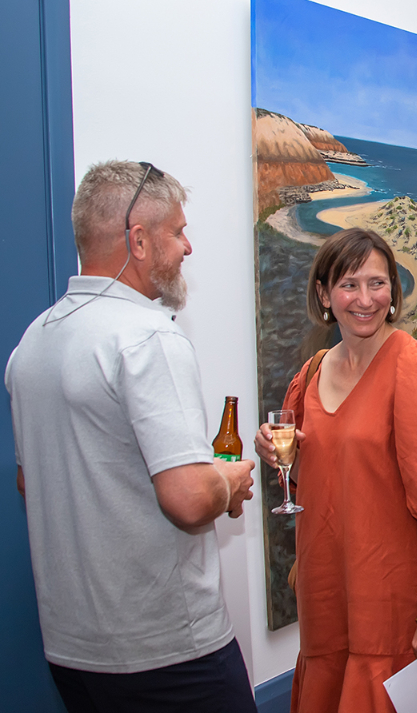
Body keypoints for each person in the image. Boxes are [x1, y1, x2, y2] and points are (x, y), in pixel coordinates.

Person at [5, 160, 257, 712]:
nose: (187, 247)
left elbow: (32, 482)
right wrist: (229, 479)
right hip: (168, 652)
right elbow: (190, 500)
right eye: (178, 232)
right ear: (138, 241)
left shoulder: (33, 342)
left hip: (72, 652)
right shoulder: (147, 338)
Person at [254, 228, 417, 713]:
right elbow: (314, 477)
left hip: (390, 593)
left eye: (377, 283)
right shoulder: (311, 373)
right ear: (324, 294)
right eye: (349, 285)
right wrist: (274, 451)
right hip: (327, 590)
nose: (365, 299)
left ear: (393, 291)